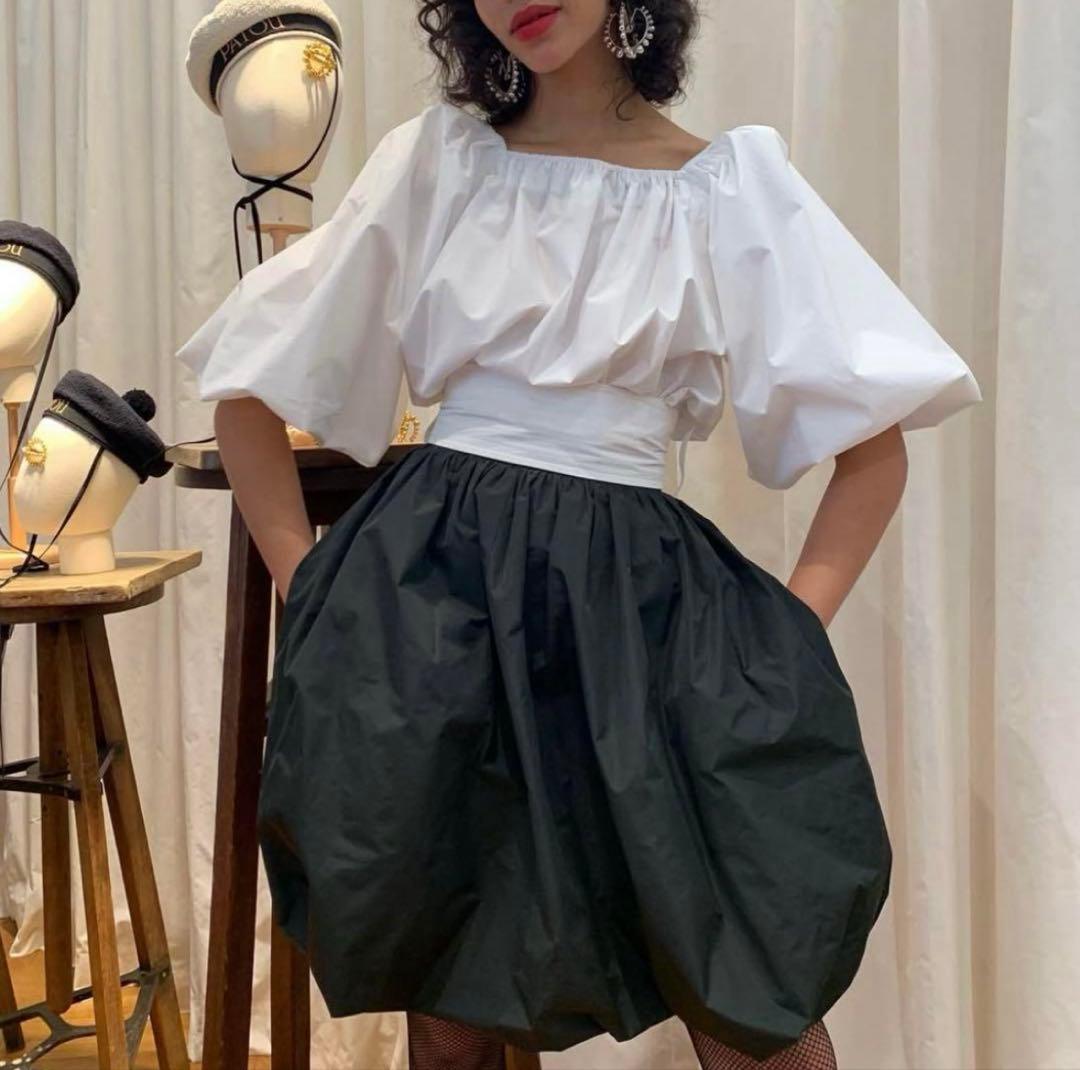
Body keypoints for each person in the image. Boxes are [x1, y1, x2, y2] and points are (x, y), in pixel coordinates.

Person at [176, 1, 983, 1067]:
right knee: (445, 977)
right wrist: (316, 596)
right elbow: (247, 387)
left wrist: (783, 642)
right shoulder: (441, 163)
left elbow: (874, 449)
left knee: (744, 972)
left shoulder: (727, 186)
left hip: (634, 612)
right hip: (439, 606)